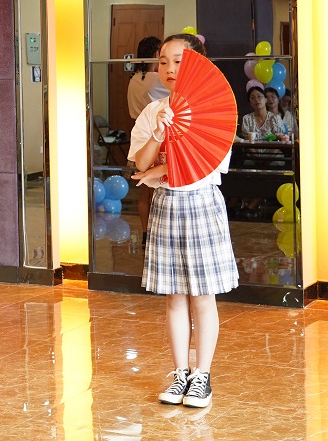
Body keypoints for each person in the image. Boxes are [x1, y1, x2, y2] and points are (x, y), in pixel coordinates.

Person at [128, 33, 237, 409]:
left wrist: (157, 172)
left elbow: (203, 166)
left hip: (202, 203)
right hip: (166, 206)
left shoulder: (215, 111)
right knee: (174, 296)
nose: (169, 68)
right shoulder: (152, 111)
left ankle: (202, 376)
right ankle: (180, 374)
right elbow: (140, 163)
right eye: (163, 61)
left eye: (178, 61)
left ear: (198, 65)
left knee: (203, 297)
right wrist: (159, 133)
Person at [127, 36, 170, 243]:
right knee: (156, 187)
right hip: (155, 129)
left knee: (144, 190)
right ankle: (154, 232)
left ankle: (145, 232)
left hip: (138, 130)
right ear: (156, 54)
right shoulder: (156, 80)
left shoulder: (133, 79)